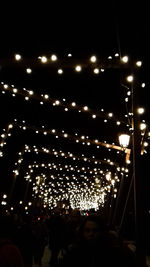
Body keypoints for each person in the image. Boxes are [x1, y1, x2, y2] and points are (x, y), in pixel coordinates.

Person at [57, 213, 137, 267]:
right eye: (87, 230)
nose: (91, 234)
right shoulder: (75, 252)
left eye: (95, 230)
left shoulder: (111, 252)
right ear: (82, 231)